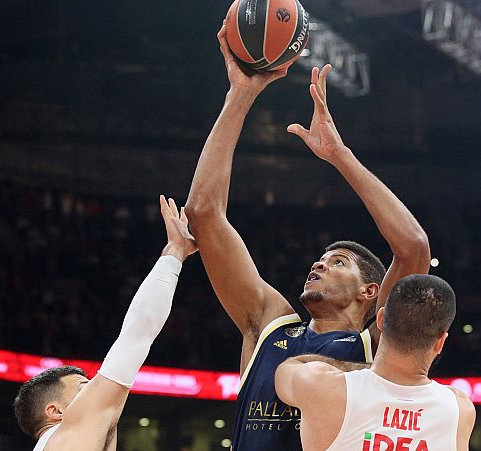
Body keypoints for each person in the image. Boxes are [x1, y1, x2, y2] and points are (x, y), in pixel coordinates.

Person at [183, 24, 431, 450]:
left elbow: (412, 248)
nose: (319, 264)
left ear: (371, 292)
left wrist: (340, 155)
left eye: (338, 262)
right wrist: (240, 93)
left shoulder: (376, 343)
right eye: (322, 259)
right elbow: (204, 213)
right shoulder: (268, 323)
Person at [12, 196, 197, 451]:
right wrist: (174, 252)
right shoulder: (68, 435)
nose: (97, 390)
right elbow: (136, 335)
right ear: (56, 411)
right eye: (85, 388)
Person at [275, 275, 475, 450]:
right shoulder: (459, 408)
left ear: (380, 319)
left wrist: (355, 367)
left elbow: (285, 369)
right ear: (440, 342)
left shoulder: (321, 385)